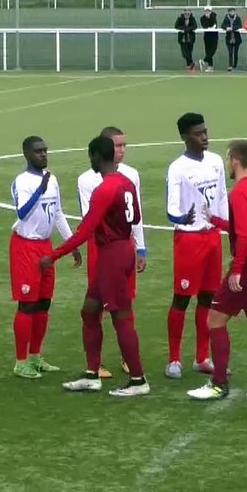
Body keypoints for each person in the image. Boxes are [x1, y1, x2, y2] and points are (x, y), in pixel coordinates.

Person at [40, 135, 148, 397]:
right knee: (90, 311)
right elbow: (137, 217)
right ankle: (92, 374)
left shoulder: (105, 189)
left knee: (121, 315)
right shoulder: (126, 184)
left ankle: (138, 380)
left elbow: (85, 230)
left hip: (112, 254)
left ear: (96, 157)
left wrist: (53, 256)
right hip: (122, 249)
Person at [187, 140, 247, 401]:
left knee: (215, 319)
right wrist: (217, 220)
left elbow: (244, 235)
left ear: (234, 160)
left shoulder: (240, 192)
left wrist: (237, 270)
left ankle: (219, 383)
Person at [77, 126, 147, 378]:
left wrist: (141, 246)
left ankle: (129, 365)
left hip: (120, 246)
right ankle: (97, 366)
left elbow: (136, 217)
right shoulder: (87, 179)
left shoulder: (130, 176)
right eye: (118, 146)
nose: (122, 151)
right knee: (97, 307)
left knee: (121, 303)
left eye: (124, 145)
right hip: (100, 246)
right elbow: (90, 218)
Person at [165, 112, 227, 380]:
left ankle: (202, 357)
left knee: (208, 298)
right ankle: (174, 359)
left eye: (205, 131)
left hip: (213, 237)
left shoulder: (216, 162)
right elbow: (171, 208)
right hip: (189, 239)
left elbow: (222, 195)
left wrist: (227, 228)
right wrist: (181, 218)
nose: (204, 137)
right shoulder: (177, 168)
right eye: (198, 133)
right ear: (184, 137)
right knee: (182, 298)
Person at [10, 136, 77, 379]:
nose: (43, 155)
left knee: (44, 303)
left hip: (46, 247)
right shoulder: (22, 181)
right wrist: (40, 189)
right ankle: (21, 361)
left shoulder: (53, 179)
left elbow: (58, 213)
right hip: (26, 246)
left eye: (45, 151)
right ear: (27, 154)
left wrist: (71, 243)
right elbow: (22, 212)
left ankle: (36, 356)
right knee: (27, 303)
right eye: (38, 151)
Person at [221, 7, 243, 72]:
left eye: (233, 11)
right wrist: (226, 28)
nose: (232, 13)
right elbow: (222, 26)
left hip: (237, 38)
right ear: (228, 12)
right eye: (231, 12)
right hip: (229, 38)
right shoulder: (226, 18)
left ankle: (235, 65)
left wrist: (232, 28)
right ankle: (230, 65)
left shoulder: (237, 18)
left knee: (235, 53)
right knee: (230, 52)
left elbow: (240, 26)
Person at [199, 7, 218, 72]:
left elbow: (215, 24)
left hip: (214, 35)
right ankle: (210, 66)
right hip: (207, 36)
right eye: (206, 11)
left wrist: (210, 19)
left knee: (213, 50)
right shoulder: (202, 18)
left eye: (209, 11)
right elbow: (205, 26)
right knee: (208, 51)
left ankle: (203, 61)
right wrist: (210, 26)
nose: (207, 12)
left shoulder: (213, 16)